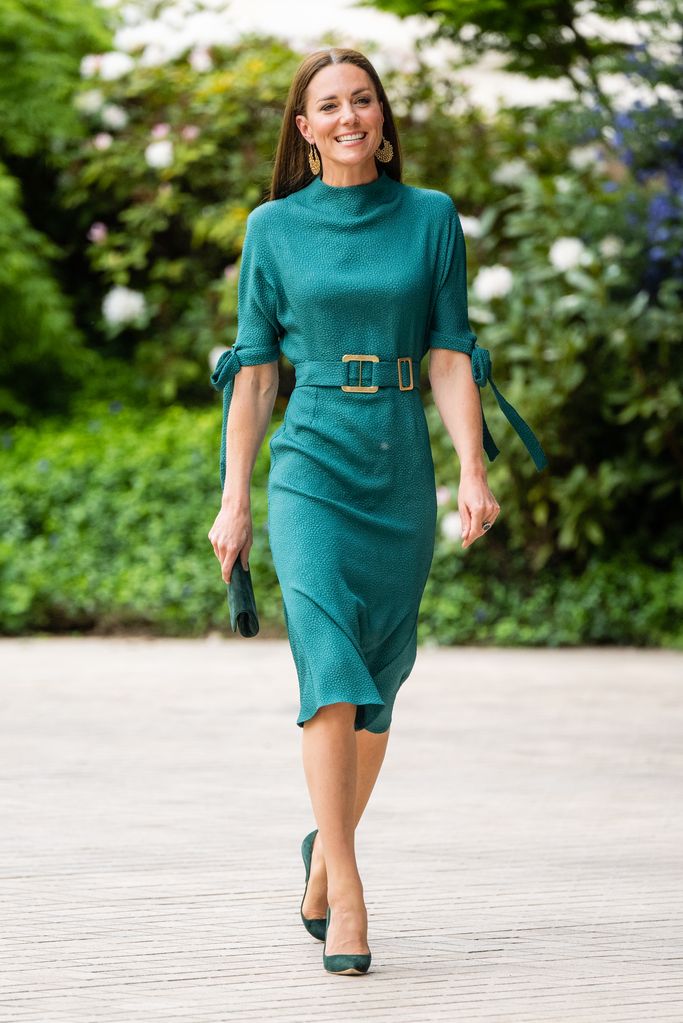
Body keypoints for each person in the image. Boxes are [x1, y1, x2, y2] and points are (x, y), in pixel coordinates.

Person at [207, 47, 547, 976]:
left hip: (397, 465)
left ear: (382, 121)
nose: (348, 115)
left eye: (362, 100)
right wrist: (235, 502)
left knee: (377, 689)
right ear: (304, 131)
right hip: (310, 459)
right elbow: (254, 368)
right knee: (329, 670)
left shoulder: (430, 218)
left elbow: (447, 353)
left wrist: (471, 471)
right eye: (328, 105)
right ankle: (350, 889)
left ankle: (321, 857)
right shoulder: (272, 229)